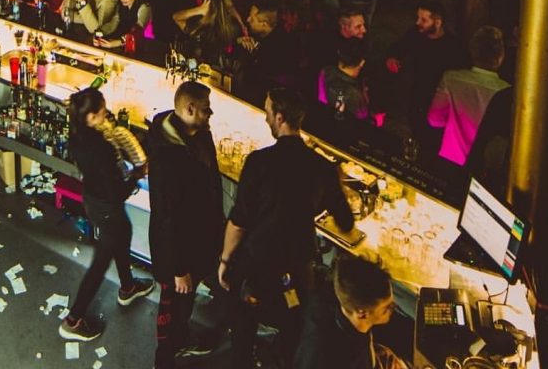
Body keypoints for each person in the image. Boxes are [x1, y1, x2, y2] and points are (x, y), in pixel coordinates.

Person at [219, 87, 354, 369]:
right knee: (293, 329)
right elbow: (346, 222)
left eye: (268, 112)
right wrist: (334, 188)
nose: (266, 118)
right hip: (298, 269)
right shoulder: (323, 168)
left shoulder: (258, 162)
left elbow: (239, 222)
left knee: (244, 327)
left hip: (257, 265)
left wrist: (225, 261)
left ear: (280, 118)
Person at [60, 88, 154, 342]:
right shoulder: (100, 147)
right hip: (107, 205)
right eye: (102, 111)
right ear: (91, 117)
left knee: (123, 234)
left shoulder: (78, 135)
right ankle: (73, 320)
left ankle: (128, 287)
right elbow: (117, 192)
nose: (106, 113)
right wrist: (137, 174)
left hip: (93, 200)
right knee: (100, 263)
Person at [148, 81, 224, 368]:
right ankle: (165, 358)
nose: (210, 113)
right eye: (206, 109)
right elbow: (167, 218)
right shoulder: (167, 159)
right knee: (173, 308)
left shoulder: (199, 135)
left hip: (199, 241)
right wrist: (179, 270)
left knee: (185, 303)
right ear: (190, 109)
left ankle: (181, 340)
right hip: (177, 254)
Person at [294, 254, 407, 369]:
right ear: (362, 314)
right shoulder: (343, 358)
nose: (394, 308)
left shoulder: (341, 298)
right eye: (387, 307)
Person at [386, 1, 469, 147]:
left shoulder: (453, 46)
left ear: (437, 23)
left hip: (439, 99)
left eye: (423, 20)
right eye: (418, 18)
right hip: (417, 95)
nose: (418, 22)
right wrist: (392, 57)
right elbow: (399, 46)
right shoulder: (416, 34)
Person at [427, 25, 510, 166]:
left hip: (449, 161)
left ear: (472, 52)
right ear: (501, 57)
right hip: (481, 168)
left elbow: (434, 119)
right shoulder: (506, 91)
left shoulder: (451, 79)